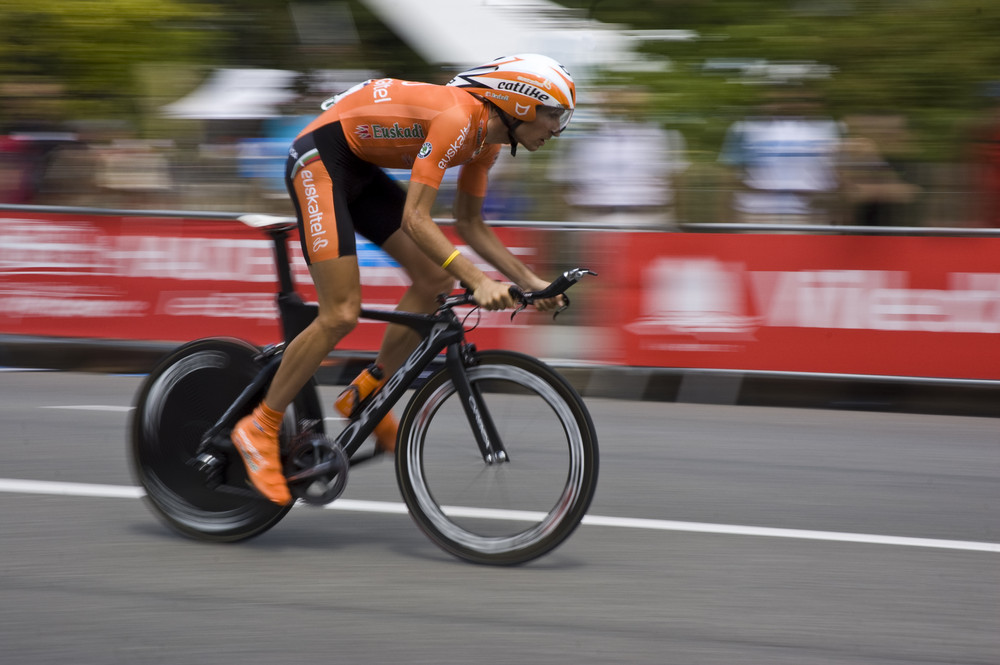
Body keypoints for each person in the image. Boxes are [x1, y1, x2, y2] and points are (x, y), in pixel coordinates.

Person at [231, 54, 575, 504]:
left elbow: (471, 224)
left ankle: (368, 389)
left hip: (359, 169)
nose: (557, 130)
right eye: (554, 116)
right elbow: (417, 219)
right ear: (521, 105)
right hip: (320, 159)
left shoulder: (487, 142)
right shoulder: (458, 119)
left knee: (434, 279)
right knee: (340, 313)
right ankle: (259, 427)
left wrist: (532, 283)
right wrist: (477, 281)